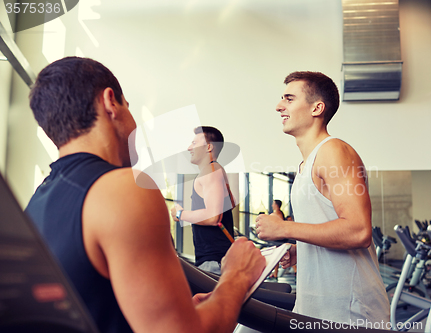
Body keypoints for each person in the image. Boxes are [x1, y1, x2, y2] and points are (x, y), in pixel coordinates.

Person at [24, 57, 265, 333]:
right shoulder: (125, 188)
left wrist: (182, 309)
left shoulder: (39, 199)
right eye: (129, 107)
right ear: (110, 102)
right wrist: (237, 276)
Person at [255, 71, 389, 325]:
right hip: (319, 304)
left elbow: (358, 231)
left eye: (289, 99)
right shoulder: (306, 164)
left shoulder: (334, 151)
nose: (279, 106)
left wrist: (284, 227)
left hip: (348, 309)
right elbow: (327, 226)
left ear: (317, 107)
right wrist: (300, 249)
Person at [170, 126, 235, 274]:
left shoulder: (211, 172)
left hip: (214, 262)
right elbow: (230, 203)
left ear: (209, 147)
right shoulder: (215, 170)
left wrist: (181, 214)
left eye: (194, 143)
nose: (189, 148)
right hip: (217, 259)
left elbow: (213, 217)